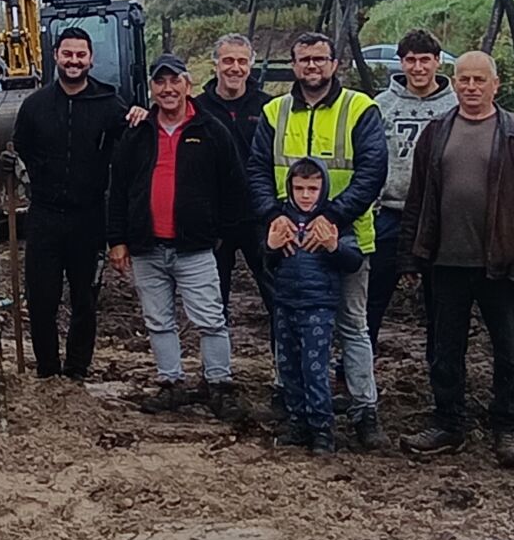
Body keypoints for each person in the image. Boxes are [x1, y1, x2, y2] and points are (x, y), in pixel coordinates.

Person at [396, 51, 514, 470]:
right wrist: (411, 256)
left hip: (500, 265)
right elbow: (418, 199)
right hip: (445, 264)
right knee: (444, 350)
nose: (470, 87)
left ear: (495, 85)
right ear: (454, 84)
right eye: (463, 80)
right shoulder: (436, 132)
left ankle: (506, 427)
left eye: (479, 80)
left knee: (508, 351)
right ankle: (448, 423)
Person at [246, 31, 389, 451]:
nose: (312, 66)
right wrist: (274, 217)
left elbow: (372, 171)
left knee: (353, 326)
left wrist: (331, 217)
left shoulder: (359, 108)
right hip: (289, 240)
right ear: (293, 65)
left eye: (320, 59)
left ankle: (364, 411)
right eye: (305, 59)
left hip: (345, 238)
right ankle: (294, 407)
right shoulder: (275, 111)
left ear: (334, 64)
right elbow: (257, 170)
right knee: (288, 325)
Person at [106, 54, 247, 416]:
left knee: (210, 319)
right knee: (158, 321)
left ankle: (219, 384)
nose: (167, 89)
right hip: (147, 247)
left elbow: (234, 187)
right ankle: (170, 383)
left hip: (194, 248)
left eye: (174, 81)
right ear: (151, 88)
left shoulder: (212, 131)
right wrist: (117, 239)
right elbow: (118, 190)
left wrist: (221, 233)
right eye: (160, 82)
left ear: (188, 84)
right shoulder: (137, 133)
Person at [11, 25, 140, 381]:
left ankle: (76, 371)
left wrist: (140, 118)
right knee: (42, 300)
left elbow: (133, 148)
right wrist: (17, 168)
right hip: (44, 216)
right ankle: (48, 372)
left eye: (80, 55)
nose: (74, 61)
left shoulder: (109, 104)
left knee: (85, 300)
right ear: (55, 56)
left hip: (89, 217)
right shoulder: (35, 105)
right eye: (67, 54)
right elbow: (20, 148)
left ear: (91, 59)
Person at [264, 158, 363, 455]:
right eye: (299, 189)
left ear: (323, 189)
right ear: (290, 188)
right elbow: (267, 262)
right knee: (288, 367)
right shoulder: (281, 219)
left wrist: (333, 246)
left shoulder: (333, 222)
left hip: (318, 306)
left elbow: (353, 261)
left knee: (314, 369)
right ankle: (298, 423)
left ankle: (322, 429)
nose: (305, 195)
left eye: (312, 189)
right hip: (284, 303)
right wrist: (269, 247)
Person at [370, 29, 458, 350]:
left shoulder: (456, 105)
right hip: (390, 215)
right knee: (371, 298)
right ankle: (354, 369)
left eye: (424, 60)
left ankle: (440, 370)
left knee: (441, 304)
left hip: (439, 219)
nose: (418, 68)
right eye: (410, 60)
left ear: (437, 61)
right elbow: (370, 158)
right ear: (401, 63)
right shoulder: (382, 105)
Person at [193, 33, 275, 337]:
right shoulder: (197, 109)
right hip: (214, 221)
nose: (235, 68)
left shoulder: (269, 107)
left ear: (251, 64)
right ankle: (216, 362)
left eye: (242, 61)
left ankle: (284, 362)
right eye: (228, 60)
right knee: (213, 303)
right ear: (215, 64)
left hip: (260, 216)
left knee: (276, 297)